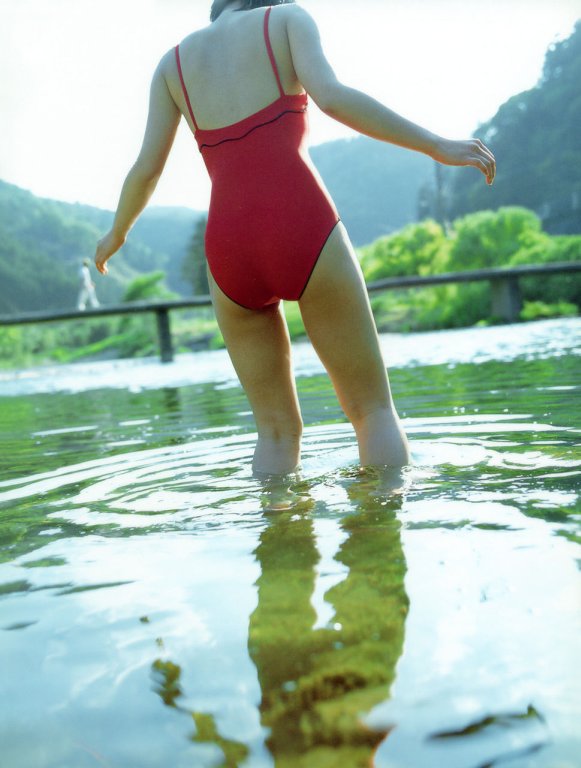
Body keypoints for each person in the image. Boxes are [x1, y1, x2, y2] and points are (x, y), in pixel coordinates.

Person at [95, 0, 495, 475]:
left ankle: (278, 522)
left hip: (229, 245)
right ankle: (381, 521)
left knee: (275, 434)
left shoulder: (172, 65)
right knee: (372, 413)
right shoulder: (286, 20)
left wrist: (116, 234)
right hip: (302, 223)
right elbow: (333, 98)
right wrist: (436, 145)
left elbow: (147, 168)